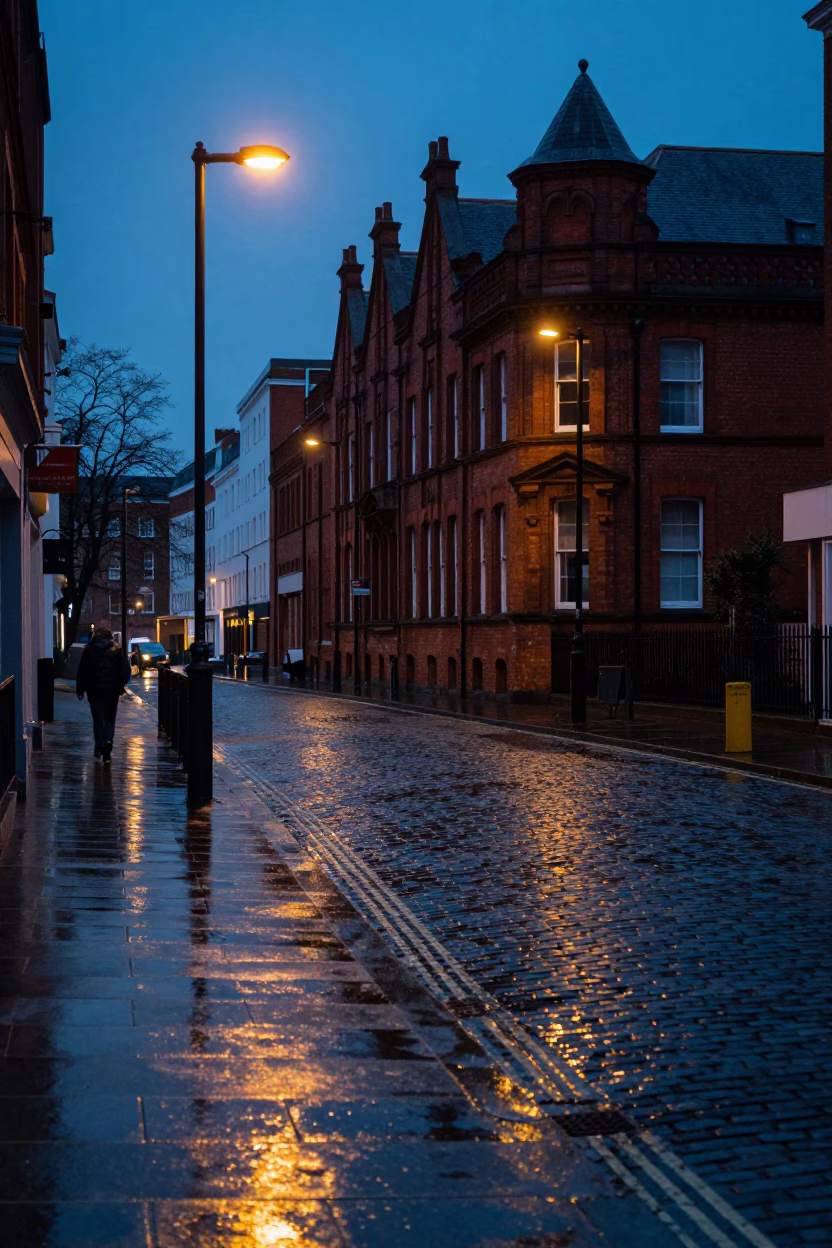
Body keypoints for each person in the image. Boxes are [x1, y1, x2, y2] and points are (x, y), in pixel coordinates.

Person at [75, 625, 131, 762]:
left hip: (94, 689)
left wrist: (80, 689)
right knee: (110, 717)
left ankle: (99, 745)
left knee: (98, 718)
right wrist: (120, 684)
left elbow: (82, 671)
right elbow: (126, 671)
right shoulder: (117, 650)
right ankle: (108, 740)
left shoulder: (89, 650)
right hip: (112, 690)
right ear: (109, 636)